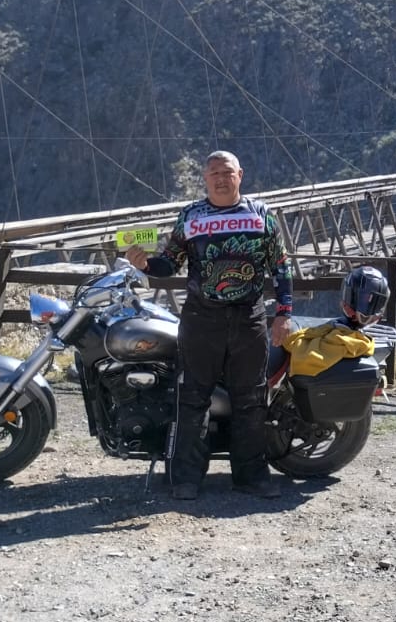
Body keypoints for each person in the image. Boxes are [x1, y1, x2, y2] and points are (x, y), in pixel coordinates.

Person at [125, 150, 292, 500]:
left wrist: (284, 314)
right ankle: (186, 479)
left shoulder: (263, 215)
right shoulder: (190, 216)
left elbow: (281, 267)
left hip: (249, 319)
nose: (220, 177)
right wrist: (144, 265)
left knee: (250, 400)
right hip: (202, 320)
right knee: (192, 399)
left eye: (226, 171)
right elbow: (169, 264)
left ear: (240, 174)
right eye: (213, 172)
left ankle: (252, 476)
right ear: (205, 178)